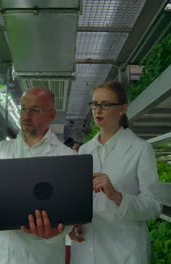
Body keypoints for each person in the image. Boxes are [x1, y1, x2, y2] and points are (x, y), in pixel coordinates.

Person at [0, 86, 75, 264]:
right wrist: (2, 196)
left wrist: (55, 232)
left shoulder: (67, 157)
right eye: (24, 108)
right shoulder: (2, 150)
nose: (26, 116)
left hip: (41, 255)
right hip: (2, 255)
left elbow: (71, 214)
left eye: (36, 110)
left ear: (51, 116)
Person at [69, 81, 162, 263]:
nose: (98, 110)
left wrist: (117, 196)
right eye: (95, 104)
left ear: (122, 109)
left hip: (123, 251)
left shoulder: (140, 149)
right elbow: (79, 198)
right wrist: (74, 221)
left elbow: (154, 207)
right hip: (87, 249)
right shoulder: (84, 151)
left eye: (105, 104)